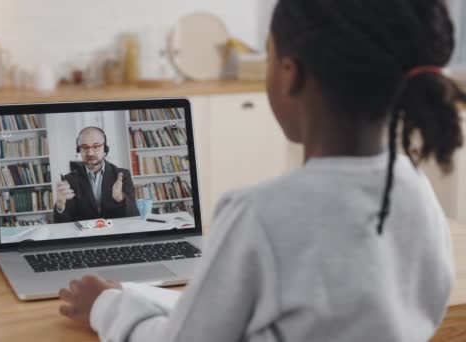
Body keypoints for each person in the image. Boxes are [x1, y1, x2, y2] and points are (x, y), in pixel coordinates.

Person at [58, 1, 464, 341]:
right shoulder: (418, 193)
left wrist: (106, 307)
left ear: (290, 74)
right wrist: (134, 294)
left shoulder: (260, 214)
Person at [53, 126, 139, 223]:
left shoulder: (122, 175)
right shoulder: (70, 180)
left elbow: (134, 217)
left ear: (105, 148)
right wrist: (60, 205)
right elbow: (63, 225)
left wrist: (120, 198)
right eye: (84, 147)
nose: (90, 153)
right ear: (79, 150)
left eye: (96, 146)